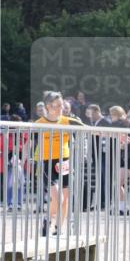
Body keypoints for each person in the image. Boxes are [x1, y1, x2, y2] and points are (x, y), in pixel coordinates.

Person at [35, 91, 85, 236]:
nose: (61, 109)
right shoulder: (39, 124)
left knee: (65, 199)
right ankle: (48, 219)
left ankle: (58, 229)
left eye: (62, 105)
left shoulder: (67, 121)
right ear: (48, 106)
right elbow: (26, 138)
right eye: (57, 106)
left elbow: (92, 130)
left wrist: (117, 134)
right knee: (58, 198)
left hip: (64, 162)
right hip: (47, 162)